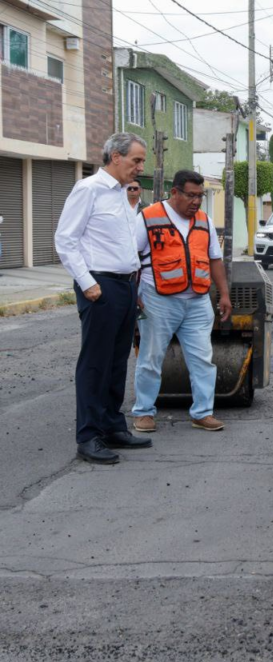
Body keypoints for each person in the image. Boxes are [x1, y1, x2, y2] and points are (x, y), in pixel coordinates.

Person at [54, 132, 152, 464]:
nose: (140, 167)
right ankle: (88, 436)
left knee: (117, 361)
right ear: (116, 157)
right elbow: (65, 239)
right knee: (95, 363)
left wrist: (134, 287)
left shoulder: (123, 194)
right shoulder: (89, 190)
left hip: (125, 286)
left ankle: (112, 426)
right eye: (136, 160)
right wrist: (87, 283)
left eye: (142, 161)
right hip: (100, 286)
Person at [131, 170, 233, 433]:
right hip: (158, 301)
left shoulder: (204, 221)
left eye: (200, 196)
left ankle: (203, 413)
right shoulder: (148, 218)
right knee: (151, 358)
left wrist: (224, 294)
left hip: (197, 302)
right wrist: (134, 293)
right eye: (191, 195)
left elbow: (214, 259)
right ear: (174, 192)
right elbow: (131, 258)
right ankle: (144, 412)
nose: (196, 201)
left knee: (202, 360)